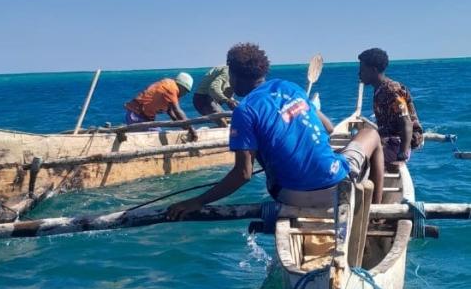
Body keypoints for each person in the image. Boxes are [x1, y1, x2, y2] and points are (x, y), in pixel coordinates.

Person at [167, 43, 384, 220]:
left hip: (290, 196)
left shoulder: (245, 111)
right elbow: (327, 128)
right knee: (372, 134)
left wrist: (198, 201)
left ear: (233, 76)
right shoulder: (291, 88)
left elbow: (243, 174)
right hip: (336, 187)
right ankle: (377, 211)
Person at [358, 48, 423, 166]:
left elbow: (406, 123)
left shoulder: (392, 90)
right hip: (387, 140)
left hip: (398, 144)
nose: (359, 73)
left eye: (362, 70)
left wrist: (402, 155)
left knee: (361, 159)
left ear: (373, 70)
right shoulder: (379, 89)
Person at [124, 72, 197, 140]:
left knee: (155, 133)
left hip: (138, 116)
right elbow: (177, 111)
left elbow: (170, 111)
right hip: (137, 116)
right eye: (185, 91)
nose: (184, 94)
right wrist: (191, 128)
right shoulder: (172, 88)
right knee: (158, 135)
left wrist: (182, 125)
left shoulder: (168, 84)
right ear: (182, 86)